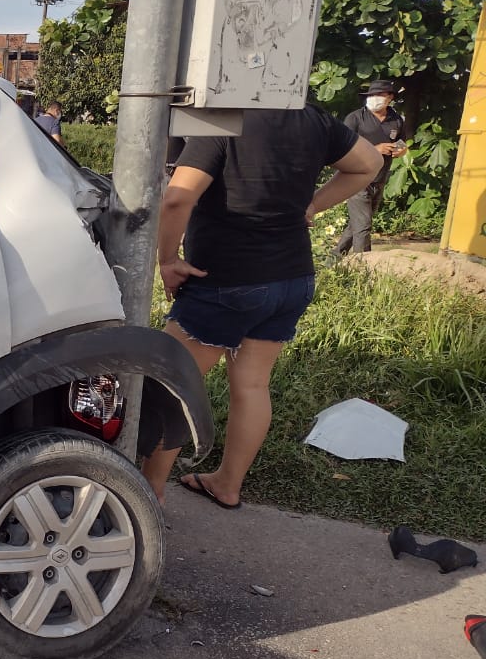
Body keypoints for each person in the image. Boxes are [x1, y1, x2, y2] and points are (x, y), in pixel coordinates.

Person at [141, 106, 382, 509]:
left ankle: (147, 494)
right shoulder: (311, 118)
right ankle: (227, 484)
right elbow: (369, 162)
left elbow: (176, 200)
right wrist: (312, 205)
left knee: (171, 386)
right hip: (291, 279)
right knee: (252, 385)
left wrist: (167, 260)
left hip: (226, 282)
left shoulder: (220, 121)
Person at [334, 79, 407, 256]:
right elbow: (341, 146)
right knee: (364, 225)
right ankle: (363, 266)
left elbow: (401, 141)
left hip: (379, 178)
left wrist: (402, 150)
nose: (374, 98)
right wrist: (375, 149)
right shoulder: (355, 118)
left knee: (358, 224)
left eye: (380, 95)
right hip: (355, 177)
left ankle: (334, 259)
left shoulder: (396, 119)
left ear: (390, 97)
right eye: (372, 95)